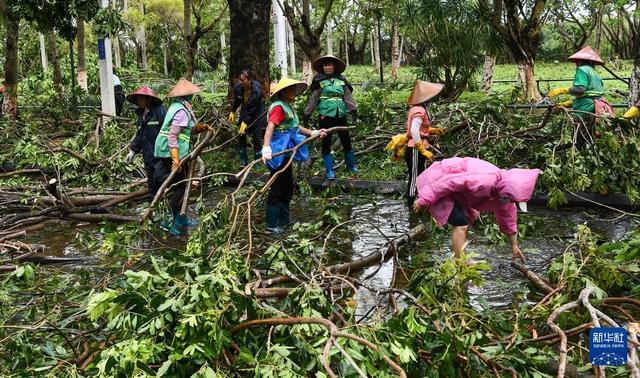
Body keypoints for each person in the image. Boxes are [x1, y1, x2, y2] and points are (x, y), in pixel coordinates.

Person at [413, 157, 540, 262]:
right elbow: (448, 182)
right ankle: (460, 262)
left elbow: (509, 218)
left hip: (458, 194)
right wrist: (424, 199)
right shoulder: (484, 180)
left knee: (466, 220)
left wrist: (514, 245)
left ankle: (459, 255)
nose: (511, 203)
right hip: (438, 180)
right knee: (461, 224)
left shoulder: (506, 195)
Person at [262, 78, 327, 234]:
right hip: (279, 149)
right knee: (278, 186)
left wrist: (313, 132)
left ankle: (284, 220)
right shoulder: (278, 107)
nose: (294, 93)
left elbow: (295, 127)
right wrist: (266, 147)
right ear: (283, 92)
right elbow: (270, 128)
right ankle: (271, 225)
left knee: (287, 186)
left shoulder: (288, 107)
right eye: (291, 90)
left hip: (288, 148)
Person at [153, 78, 213, 236]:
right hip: (171, 152)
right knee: (182, 187)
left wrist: (203, 127)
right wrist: (175, 160)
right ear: (187, 97)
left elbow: (190, 129)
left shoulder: (177, 107)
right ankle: (175, 221)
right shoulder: (181, 111)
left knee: (180, 185)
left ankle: (180, 217)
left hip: (167, 150)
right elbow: (173, 136)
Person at [386, 81, 446, 207]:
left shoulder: (419, 108)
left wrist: (433, 130)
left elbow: (420, 129)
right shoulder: (419, 110)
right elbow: (414, 130)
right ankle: (411, 204)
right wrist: (422, 149)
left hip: (420, 146)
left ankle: (421, 202)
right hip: (415, 148)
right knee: (415, 177)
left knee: (422, 174)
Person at [303, 55, 358, 180]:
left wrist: (353, 110)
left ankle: (351, 166)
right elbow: (314, 99)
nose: (327, 67)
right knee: (326, 143)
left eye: (329, 65)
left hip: (340, 114)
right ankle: (329, 171)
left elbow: (348, 97)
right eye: (325, 65)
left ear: (334, 67)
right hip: (325, 115)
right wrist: (307, 113)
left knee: (346, 140)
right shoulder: (319, 81)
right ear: (323, 67)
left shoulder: (341, 80)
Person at [547, 46, 613, 145]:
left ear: (579, 61)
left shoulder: (582, 70)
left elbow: (580, 90)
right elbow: (589, 95)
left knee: (579, 138)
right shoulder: (595, 73)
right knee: (592, 136)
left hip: (586, 110)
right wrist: (565, 104)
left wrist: (562, 90)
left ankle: (582, 155)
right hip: (598, 107)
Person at [124, 86, 166, 197]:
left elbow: (168, 132)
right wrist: (132, 151)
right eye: (138, 99)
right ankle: (152, 206)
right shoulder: (141, 115)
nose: (139, 101)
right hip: (148, 155)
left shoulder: (160, 112)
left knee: (160, 179)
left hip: (160, 154)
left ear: (149, 99)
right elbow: (140, 135)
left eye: (141, 99)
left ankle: (165, 203)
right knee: (151, 181)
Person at [229, 69, 267, 166]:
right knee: (241, 134)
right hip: (245, 111)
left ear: (250, 80)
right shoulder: (238, 88)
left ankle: (257, 163)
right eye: (240, 80)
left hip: (258, 114)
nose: (241, 82)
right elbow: (237, 100)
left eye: (243, 80)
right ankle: (243, 161)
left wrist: (245, 121)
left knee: (256, 136)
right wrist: (232, 112)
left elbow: (252, 109)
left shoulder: (256, 90)